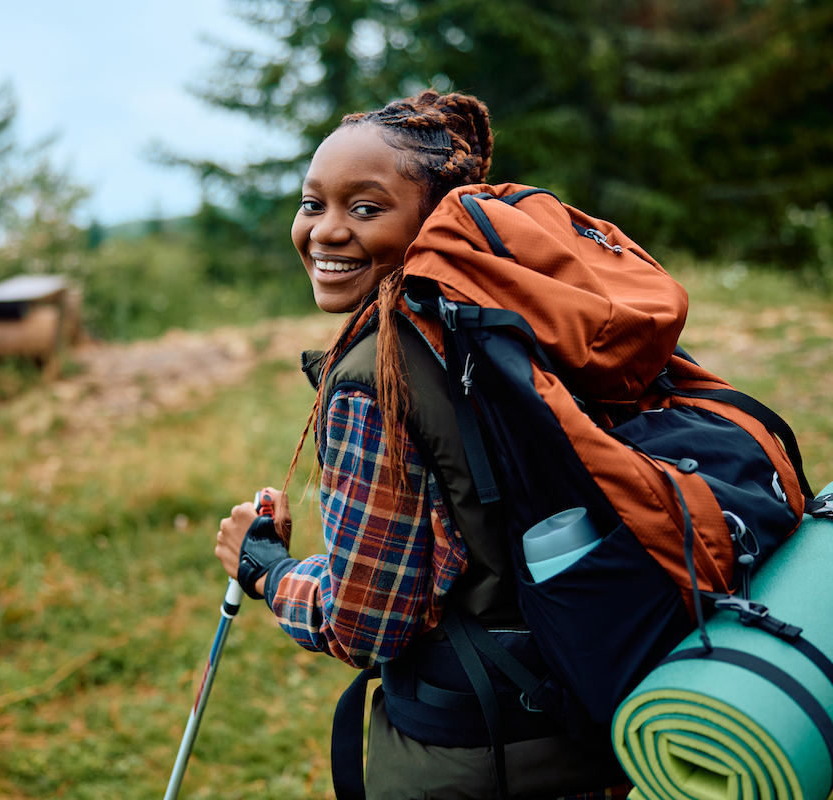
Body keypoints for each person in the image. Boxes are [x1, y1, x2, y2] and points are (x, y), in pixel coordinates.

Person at [215, 90, 633, 799]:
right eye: (313, 203)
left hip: (469, 753)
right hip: (586, 714)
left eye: (367, 208)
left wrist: (267, 568)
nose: (327, 232)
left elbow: (368, 622)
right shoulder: (505, 320)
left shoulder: (375, 377)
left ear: (433, 219)